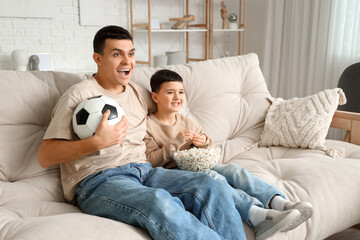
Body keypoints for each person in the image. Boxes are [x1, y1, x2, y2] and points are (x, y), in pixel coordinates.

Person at [37, 25, 251, 240]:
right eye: (116, 54)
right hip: (100, 182)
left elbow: (167, 112)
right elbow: (46, 156)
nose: (126, 61)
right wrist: (95, 143)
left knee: (210, 186)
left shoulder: (138, 93)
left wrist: (196, 139)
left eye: (131, 54)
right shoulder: (78, 95)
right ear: (98, 58)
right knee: (158, 202)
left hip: (145, 172)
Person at [144, 69, 314, 240]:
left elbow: (207, 147)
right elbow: (151, 161)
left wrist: (203, 141)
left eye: (180, 92)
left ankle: (280, 203)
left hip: (197, 164)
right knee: (213, 178)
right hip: (176, 173)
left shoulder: (185, 121)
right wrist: (176, 142)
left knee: (233, 170)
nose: (177, 97)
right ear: (156, 97)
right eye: (170, 92)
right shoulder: (149, 125)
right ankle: (256, 214)